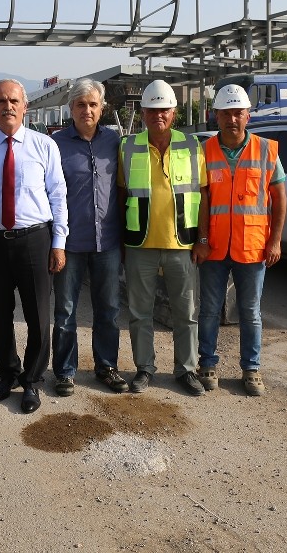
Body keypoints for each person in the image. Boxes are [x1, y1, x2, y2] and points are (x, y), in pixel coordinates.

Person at [0, 79, 68, 414]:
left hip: (35, 241)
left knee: (38, 316)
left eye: (13, 100)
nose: (7, 106)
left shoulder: (44, 146)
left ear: (25, 106)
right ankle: (7, 374)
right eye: (0, 101)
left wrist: (58, 242)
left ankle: (33, 381)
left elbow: (58, 195)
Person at [195, 84, 287, 397]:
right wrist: (202, 239)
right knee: (209, 309)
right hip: (215, 247)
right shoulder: (205, 151)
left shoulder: (265, 150)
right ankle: (207, 363)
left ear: (247, 115)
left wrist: (275, 241)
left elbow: (279, 197)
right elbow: (203, 199)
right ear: (215, 116)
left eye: (238, 113)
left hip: (253, 247)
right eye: (226, 113)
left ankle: (251, 369)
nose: (232, 119)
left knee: (250, 313)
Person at [118, 80, 208, 396]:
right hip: (139, 243)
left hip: (182, 244)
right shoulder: (127, 146)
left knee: (186, 313)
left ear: (174, 112)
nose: (159, 115)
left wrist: (203, 239)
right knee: (139, 313)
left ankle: (186, 370)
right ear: (143, 113)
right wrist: (120, 242)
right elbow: (120, 194)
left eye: (165, 110)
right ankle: (145, 368)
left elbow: (204, 194)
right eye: (153, 110)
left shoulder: (192, 145)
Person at [50, 79, 128, 396]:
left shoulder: (115, 141)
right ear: (71, 108)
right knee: (65, 312)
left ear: (102, 108)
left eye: (93, 105)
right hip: (70, 244)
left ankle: (106, 367)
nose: (87, 110)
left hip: (107, 242)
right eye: (81, 104)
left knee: (108, 309)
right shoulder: (56, 144)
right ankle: (65, 371)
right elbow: (49, 194)